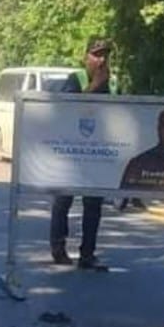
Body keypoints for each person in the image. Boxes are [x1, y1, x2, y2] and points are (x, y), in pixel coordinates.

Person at [50, 36, 115, 271]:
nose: (102, 59)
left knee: (93, 205)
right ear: (85, 57)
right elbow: (66, 110)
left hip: (97, 155)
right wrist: (94, 86)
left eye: (105, 55)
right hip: (71, 152)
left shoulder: (112, 83)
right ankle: (58, 248)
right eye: (97, 54)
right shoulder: (75, 79)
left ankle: (87, 254)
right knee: (63, 201)